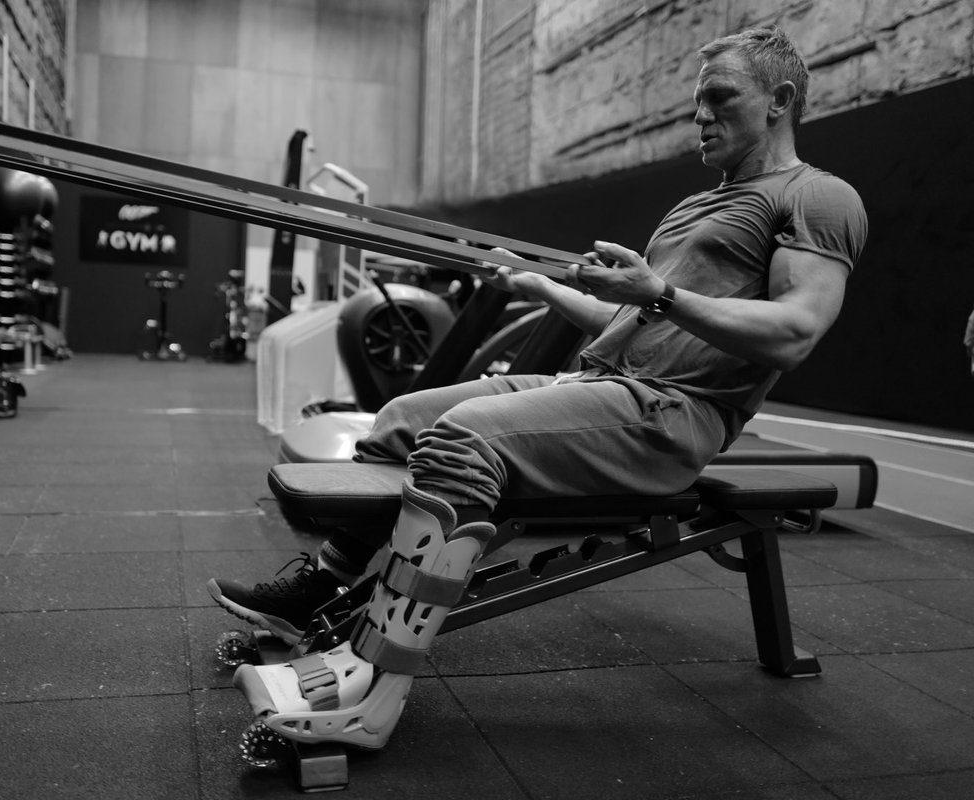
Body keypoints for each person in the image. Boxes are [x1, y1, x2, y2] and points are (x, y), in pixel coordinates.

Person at [209, 26, 867, 750]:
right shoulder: (693, 207)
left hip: (670, 415)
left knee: (462, 441)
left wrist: (657, 292)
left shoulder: (818, 196)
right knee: (400, 417)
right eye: (697, 100)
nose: (700, 115)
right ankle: (321, 588)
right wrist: (541, 286)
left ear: (779, 100)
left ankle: (375, 683)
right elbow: (631, 322)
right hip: (604, 382)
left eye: (720, 97)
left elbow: (796, 332)